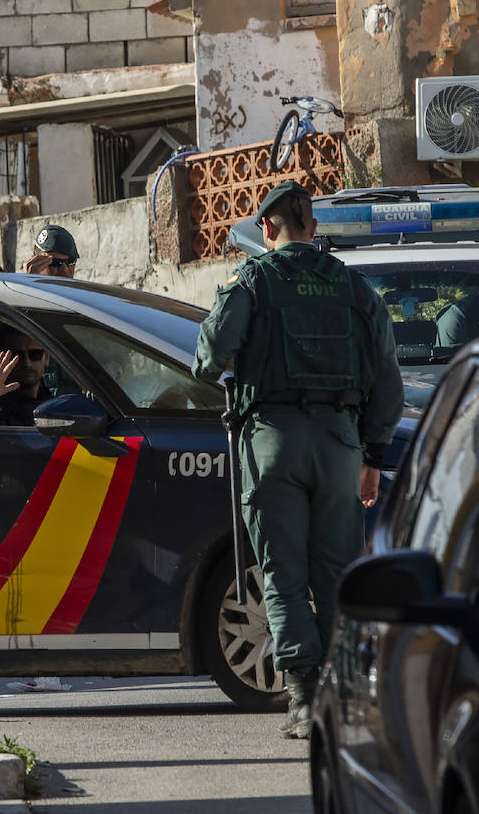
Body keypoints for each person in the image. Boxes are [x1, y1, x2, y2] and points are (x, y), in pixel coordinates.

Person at [192, 180, 403, 740]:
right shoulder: (355, 288)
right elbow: (387, 381)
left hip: (272, 442)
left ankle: (304, 700)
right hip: (340, 444)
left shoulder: (254, 280)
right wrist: (373, 457)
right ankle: (344, 696)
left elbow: (208, 357)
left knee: (283, 578)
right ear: (313, 229)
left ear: (267, 229)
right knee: (336, 573)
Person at [0, 327, 54, 425]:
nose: (27, 363)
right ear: (4, 360)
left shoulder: (52, 403)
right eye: (17, 356)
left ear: (47, 358)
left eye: (35, 354)